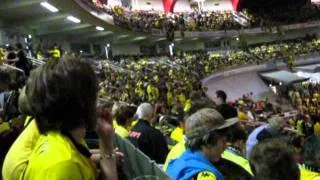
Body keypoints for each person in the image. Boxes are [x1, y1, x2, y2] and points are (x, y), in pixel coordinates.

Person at [2, 59, 117, 180]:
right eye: (93, 95)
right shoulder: (62, 166)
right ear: (79, 103)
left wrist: (106, 141)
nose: (98, 103)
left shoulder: (63, 137)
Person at [167, 108, 238, 180]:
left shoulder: (180, 161)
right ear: (208, 142)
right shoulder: (207, 176)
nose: (225, 147)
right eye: (224, 141)